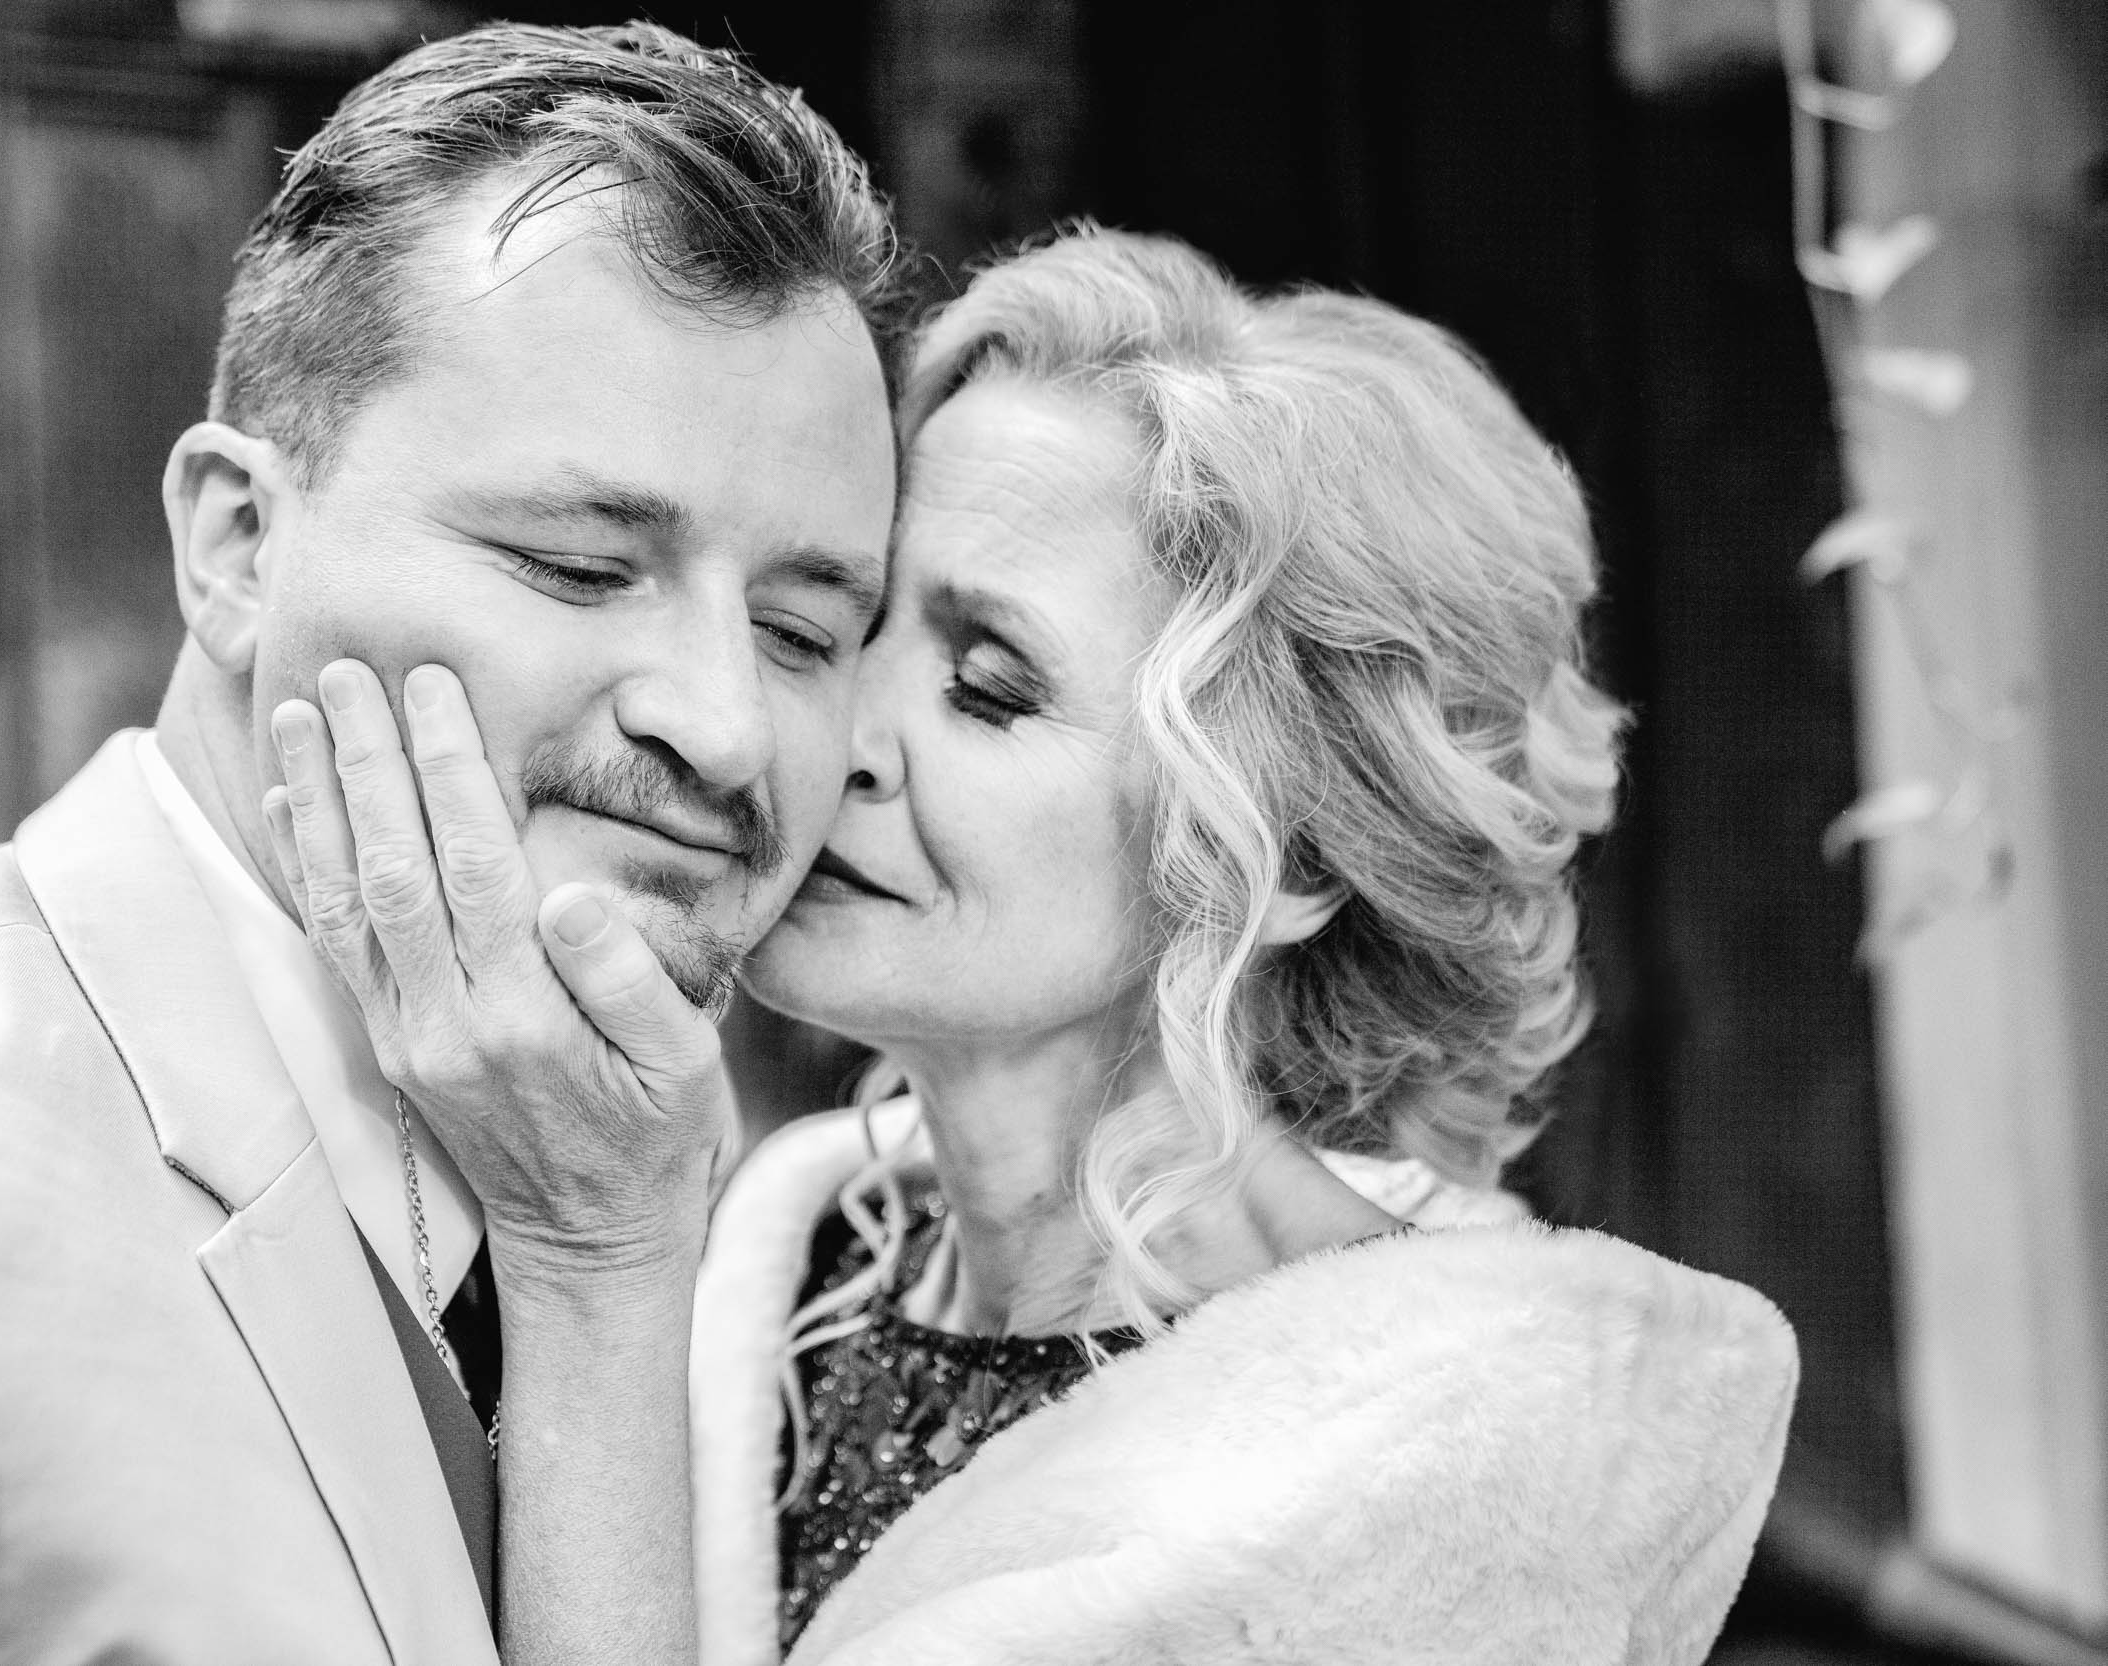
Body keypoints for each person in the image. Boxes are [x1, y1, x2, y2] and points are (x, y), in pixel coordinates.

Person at [279, 226, 1798, 1665]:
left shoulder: (1439, 1463)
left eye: (990, 683)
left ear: (1291, 855)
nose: (828, 739)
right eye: (843, 629)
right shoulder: (791, 1273)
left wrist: (591, 1261)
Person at [0, 23, 899, 1666]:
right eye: (581, 567)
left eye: (801, 630)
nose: (720, 724)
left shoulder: (732, 1225)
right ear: (234, 544)